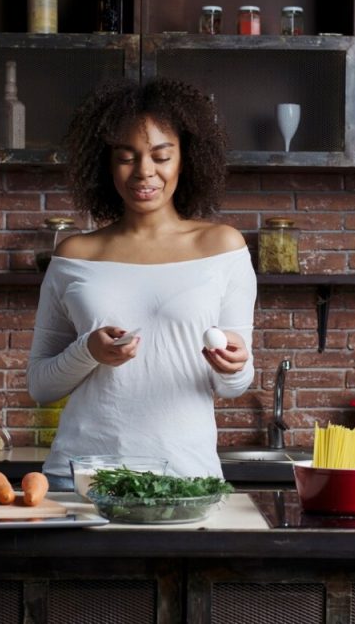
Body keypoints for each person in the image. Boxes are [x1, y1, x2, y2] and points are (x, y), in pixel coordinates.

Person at [27, 78, 256, 490]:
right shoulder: (76, 255)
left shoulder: (222, 247)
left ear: (185, 159)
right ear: (107, 164)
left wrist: (235, 366)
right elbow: (41, 386)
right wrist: (89, 350)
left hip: (185, 478)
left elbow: (233, 384)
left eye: (161, 156)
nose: (144, 172)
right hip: (81, 478)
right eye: (126, 157)